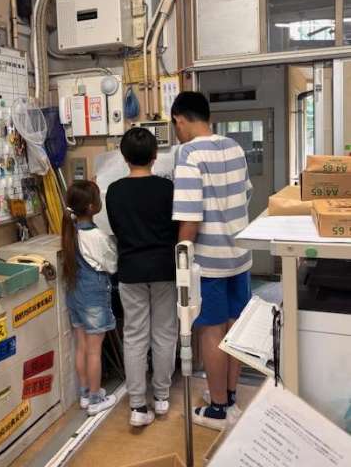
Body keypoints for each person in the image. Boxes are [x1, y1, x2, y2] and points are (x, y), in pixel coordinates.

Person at [171, 91, 253, 431]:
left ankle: (218, 410)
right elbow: (246, 193)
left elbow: (190, 217)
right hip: (241, 255)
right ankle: (229, 398)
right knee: (234, 330)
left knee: (212, 333)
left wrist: (181, 259)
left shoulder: (188, 153)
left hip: (210, 261)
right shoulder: (234, 147)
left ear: (179, 120)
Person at [106, 128, 178, 428]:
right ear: (154, 155)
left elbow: (116, 229)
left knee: (135, 335)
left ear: (124, 157)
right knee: (164, 332)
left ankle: (137, 405)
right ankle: (161, 397)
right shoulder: (167, 188)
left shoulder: (114, 191)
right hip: (164, 269)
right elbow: (176, 227)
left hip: (130, 269)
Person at [62, 180, 118, 416]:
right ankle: (96, 400)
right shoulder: (96, 236)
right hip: (93, 295)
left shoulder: (70, 231)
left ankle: (85, 393)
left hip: (75, 293)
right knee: (95, 350)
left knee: (82, 346)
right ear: (93, 207)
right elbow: (111, 266)